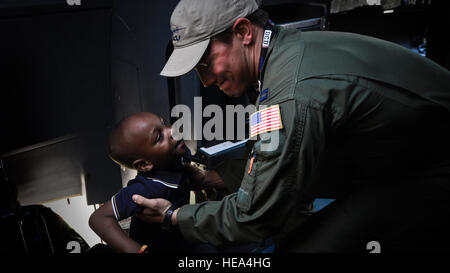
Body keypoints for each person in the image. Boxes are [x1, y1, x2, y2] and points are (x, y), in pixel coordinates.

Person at [133, 0, 450, 252]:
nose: (208, 81)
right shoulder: (283, 52)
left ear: (243, 32)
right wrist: (213, 176)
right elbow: (271, 151)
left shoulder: (291, 95)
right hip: (399, 158)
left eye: (206, 64)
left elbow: (254, 216)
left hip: (427, 171)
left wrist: (174, 216)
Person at [88, 112, 220, 253]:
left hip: (178, 236)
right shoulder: (144, 189)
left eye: (164, 123)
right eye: (159, 137)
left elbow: (195, 180)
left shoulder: (178, 156)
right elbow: (98, 218)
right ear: (144, 165)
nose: (172, 130)